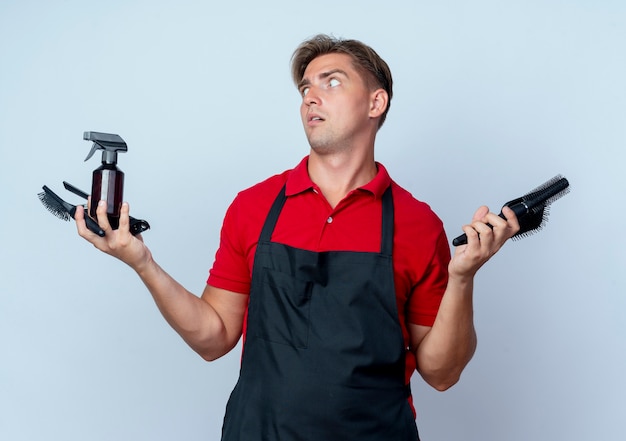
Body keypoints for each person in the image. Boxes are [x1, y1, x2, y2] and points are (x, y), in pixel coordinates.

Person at [75, 34, 520, 441]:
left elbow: (441, 373)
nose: (311, 96)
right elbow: (214, 337)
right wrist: (142, 263)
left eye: (332, 82)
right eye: (306, 88)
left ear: (375, 102)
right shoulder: (254, 206)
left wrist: (462, 279)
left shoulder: (416, 222)